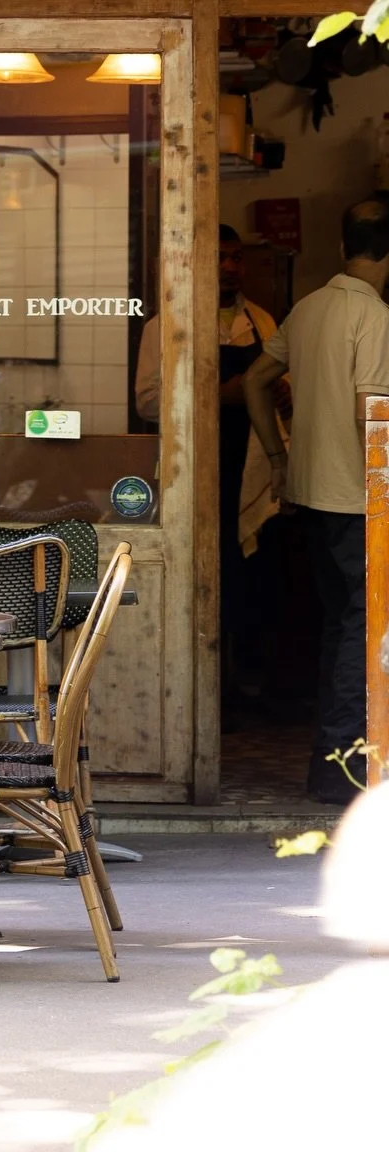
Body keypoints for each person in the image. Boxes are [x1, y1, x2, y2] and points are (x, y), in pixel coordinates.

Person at [244, 198, 389, 803]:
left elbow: (253, 379)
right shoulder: (373, 316)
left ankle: (332, 767)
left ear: (342, 247)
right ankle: (347, 771)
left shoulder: (306, 308)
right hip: (358, 500)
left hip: (312, 496)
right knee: (364, 629)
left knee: (341, 627)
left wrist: (278, 458)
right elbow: (371, 416)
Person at [135, 226, 280, 703]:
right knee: (200, 575)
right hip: (194, 473)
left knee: (248, 577)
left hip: (251, 468)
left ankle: (241, 686)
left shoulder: (262, 321)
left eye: (236, 258)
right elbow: (149, 404)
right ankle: (196, 694)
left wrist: (282, 392)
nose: (231, 267)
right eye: (219, 257)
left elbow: (285, 391)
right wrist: (220, 397)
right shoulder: (166, 323)